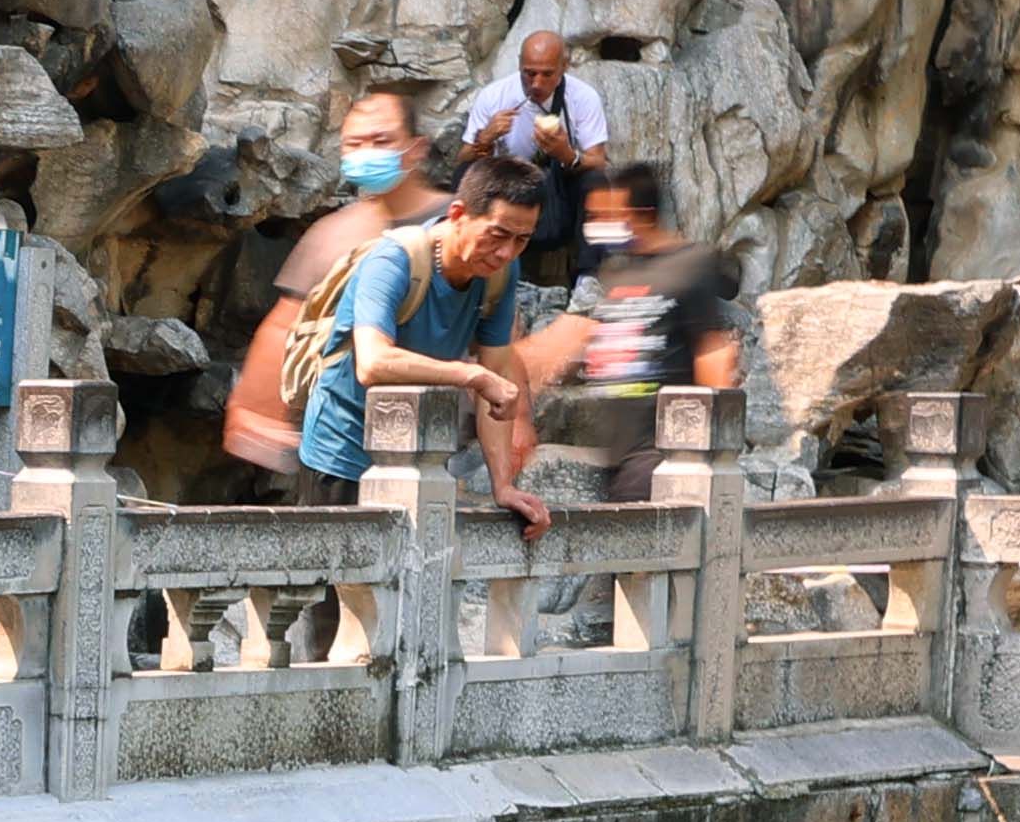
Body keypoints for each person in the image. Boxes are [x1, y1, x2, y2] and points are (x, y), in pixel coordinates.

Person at [293, 154, 552, 531]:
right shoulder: (393, 261)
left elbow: (494, 383)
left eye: (521, 240)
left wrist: (503, 485)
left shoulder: (499, 273)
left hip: (420, 456)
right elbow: (373, 362)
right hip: (342, 455)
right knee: (332, 587)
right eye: (497, 236)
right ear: (459, 213)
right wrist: (470, 375)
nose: (506, 253)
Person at [219, 90, 436, 496]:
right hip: (341, 439)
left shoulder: (453, 225)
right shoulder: (334, 234)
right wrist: (253, 409)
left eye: (382, 141)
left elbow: (498, 334)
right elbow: (286, 326)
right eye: (355, 144)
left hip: (433, 432)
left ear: (416, 148)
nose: (367, 152)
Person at [525, 162, 742, 499]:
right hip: (616, 452)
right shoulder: (616, 270)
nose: (593, 227)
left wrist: (710, 450)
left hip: (660, 454)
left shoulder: (691, 264)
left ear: (640, 214)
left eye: (602, 216)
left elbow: (710, 350)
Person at [458, 31, 610, 282]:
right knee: (464, 176)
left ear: (564, 67)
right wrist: (484, 138)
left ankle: (588, 279)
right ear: (519, 65)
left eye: (547, 74)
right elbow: (461, 160)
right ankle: (473, 264)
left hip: (558, 194)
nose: (537, 84)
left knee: (595, 183)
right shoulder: (495, 96)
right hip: (508, 189)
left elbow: (598, 160)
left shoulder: (583, 97)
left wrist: (567, 155)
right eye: (529, 73)